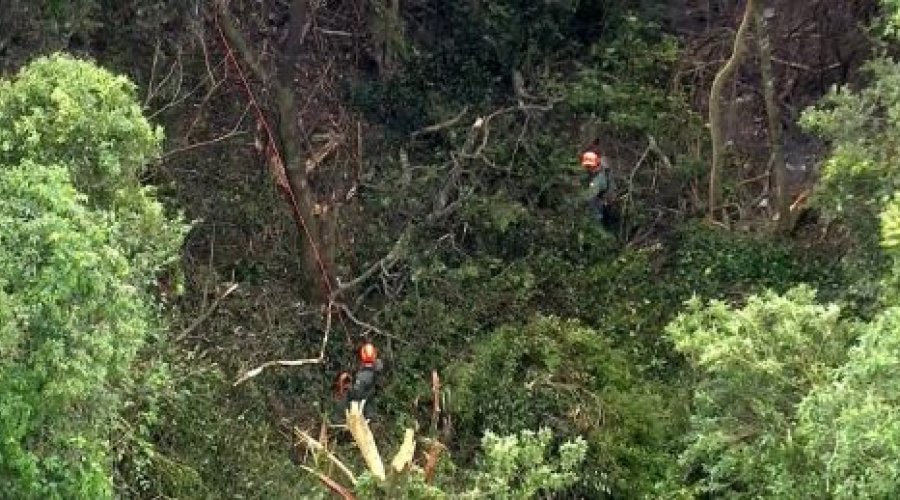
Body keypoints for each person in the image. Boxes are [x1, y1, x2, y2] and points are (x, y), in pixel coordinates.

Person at [334, 342, 384, 422]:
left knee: (345, 397)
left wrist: (347, 388)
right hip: (370, 396)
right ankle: (370, 416)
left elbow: (357, 392)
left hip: (361, 399)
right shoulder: (376, 367)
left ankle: (338, 418)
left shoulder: (363, 374)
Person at [580, 148, 612, 224]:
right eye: (586, 166)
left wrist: (576, 197)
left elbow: (589, 195)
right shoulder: (593, 173)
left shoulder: (599, 179)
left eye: (589, 166)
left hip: (597, 209)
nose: (587, 168)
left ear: (596, 164)